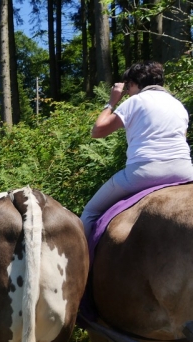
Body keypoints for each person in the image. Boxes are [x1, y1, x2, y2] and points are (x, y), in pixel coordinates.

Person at [81, 60, 193, 239]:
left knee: (89, 212)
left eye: (129, 87)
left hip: (144, 172)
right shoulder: (178, 105)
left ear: (133, 84)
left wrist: (112, 102)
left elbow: (98, 131)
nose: (128, 93)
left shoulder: (135, 101)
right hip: (184, 171)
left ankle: (81, 267)